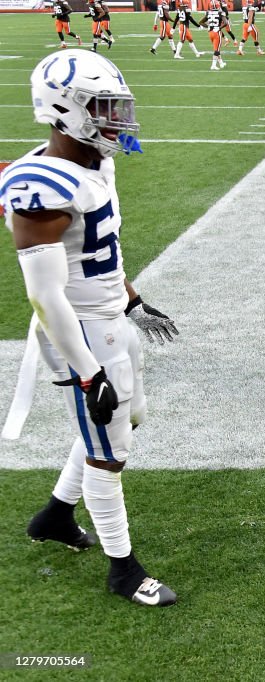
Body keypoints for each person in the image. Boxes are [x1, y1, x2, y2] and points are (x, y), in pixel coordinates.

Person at [1, 50, 180, 607]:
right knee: (109, 451)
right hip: (78, 329)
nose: (117, 118)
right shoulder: (43, 185)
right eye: (103, 107)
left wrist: (133, 300)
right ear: (63, 110)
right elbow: (46, 294)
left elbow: (101, 253)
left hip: (107, 314)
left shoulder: (94, 163)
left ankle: (55, 514)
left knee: (130, 420)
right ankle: (123, 569)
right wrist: (87, 373)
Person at [201, 0, 227, 70]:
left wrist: (208, 26)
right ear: (218, 5)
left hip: (210, 32)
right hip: (216, 33)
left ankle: (221, 63)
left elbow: (201, 22)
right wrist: (219, 27)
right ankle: (213, 65)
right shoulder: (220, 12)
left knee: (216, 48)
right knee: (217, 50)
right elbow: (225, 23)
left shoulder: (208, 12)